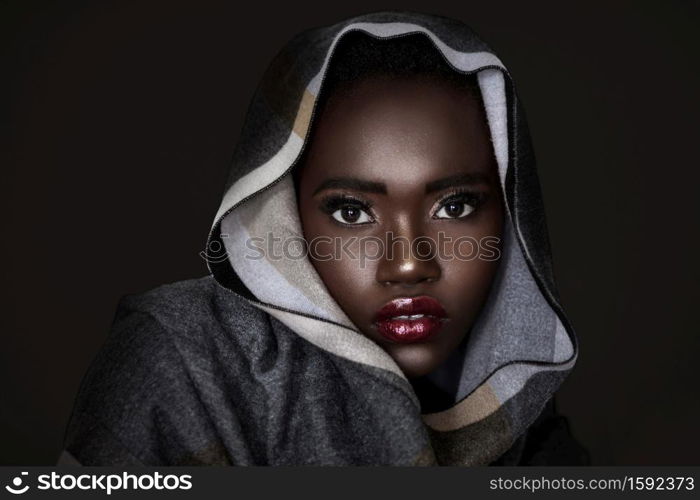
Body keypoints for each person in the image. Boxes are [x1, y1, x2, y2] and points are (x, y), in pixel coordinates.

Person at [59, 10, 590, 466]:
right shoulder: (179, 359)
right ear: (284, 216)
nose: (407, 264)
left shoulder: (511, 393)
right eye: (352, 211)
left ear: (511, 217)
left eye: (455, 206)